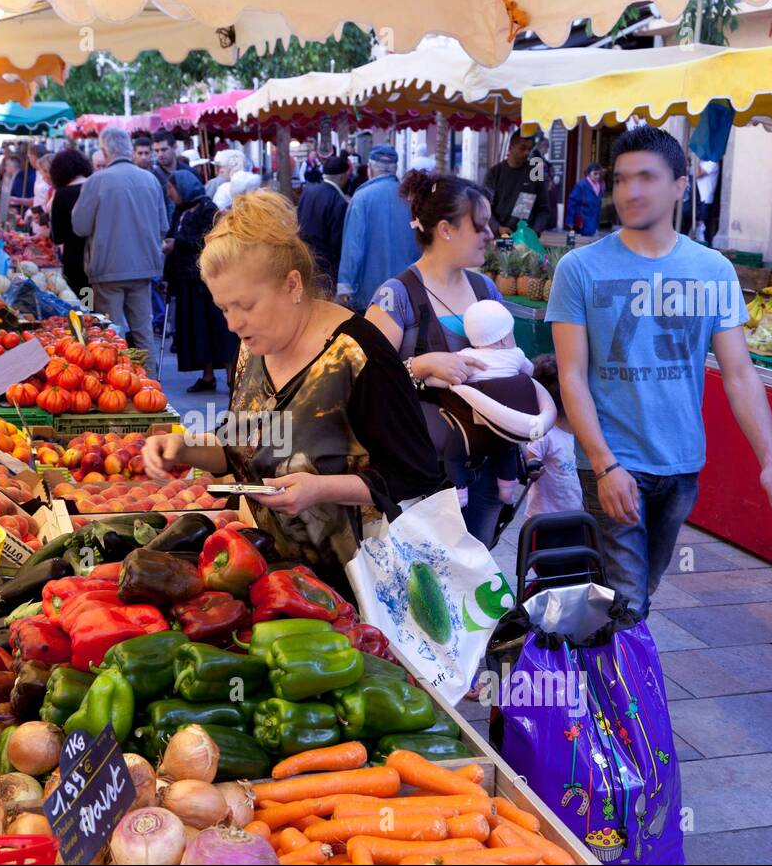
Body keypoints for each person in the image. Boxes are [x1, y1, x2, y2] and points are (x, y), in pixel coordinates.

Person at [548, 125, 772, 620]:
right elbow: (572, 377)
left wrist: (770, 460)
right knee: (628, 599)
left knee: (638, 589)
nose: (632, 190)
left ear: (681, 186)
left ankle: (590, 668)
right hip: (613, 460)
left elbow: (739, 373)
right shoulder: (579, 269)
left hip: (682, 466)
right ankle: (623, 696)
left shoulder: (712, 270)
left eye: (646, 177)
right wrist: (604, 465)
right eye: (621, 179)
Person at [142, 190, 442, 590]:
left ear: (292, 285)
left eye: (245, 305)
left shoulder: (358, 355)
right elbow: (242, 444)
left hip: (360, 592)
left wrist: (320, 489)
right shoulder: (254, 349)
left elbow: (417, 475)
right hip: (277, 582)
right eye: (224, 308)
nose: (233, 323)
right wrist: (185, 449)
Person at [364, 169, 506, 546]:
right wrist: (421, 367)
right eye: (479, 225)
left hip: (488, 462)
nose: (490, 234)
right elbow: (363, 381)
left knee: (479, 572)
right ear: (445, 229)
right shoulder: (396, 296)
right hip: (424, 473)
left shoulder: (486, 289)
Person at [72, 127, 169, 376]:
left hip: (108, 268)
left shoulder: (97, 181)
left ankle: (119, 381)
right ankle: (150, 383)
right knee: (143, 329)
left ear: (105, 151)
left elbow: (80, 227)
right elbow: (163, 226)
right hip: (144, 267)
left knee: (112, 333)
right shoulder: (150, 180)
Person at [450, 299, 535, 505]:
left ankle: (459, 493)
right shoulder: (516, 355)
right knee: (506, 450)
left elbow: (451, 373)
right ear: (505, 340)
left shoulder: (466, 356)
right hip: (505, 428)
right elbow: (529, 372)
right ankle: (507, 489)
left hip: (474, 429)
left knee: (452, 455)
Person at [164, 169, 236, 393]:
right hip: (186, 280)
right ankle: (207, 376)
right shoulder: (181, 209)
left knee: (218, 329)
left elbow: (208, 240)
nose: (169, 194)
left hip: (206, 280)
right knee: (198, 330)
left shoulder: (207, 208)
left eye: (171, 189)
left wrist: (178, 244)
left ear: (182, 187)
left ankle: (232, 375)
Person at [336, 145, 420, 314]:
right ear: (395, 169)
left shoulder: (361, 198)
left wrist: (345, 286)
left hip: (371, 293)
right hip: (407, 288)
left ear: (370, 169)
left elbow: (353, 247)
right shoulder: (411, 198)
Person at [523, 354, 582, 519]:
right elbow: (528, 461)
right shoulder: (543, 432)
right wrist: (531, 469)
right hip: (546, 519)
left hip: (580, 516)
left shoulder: (584, 430)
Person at [296, 154, 350, 295]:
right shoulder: (338, 201)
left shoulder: (308, 191)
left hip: (305, 258)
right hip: (325, 266)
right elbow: (337, 243)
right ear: (342, 177)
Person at [485, 130, 553, 236]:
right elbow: (485, 207)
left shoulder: (535, 172)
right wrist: (497, 228)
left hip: (526, 238)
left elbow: (543, 209)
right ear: (511, 147)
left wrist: (535, 232)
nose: (526, 152)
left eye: (529, 149)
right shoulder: (494, 173)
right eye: (522, 148)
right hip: (499, 236)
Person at [48, 148, 93, 298]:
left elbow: (57, 236)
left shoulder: (62, 194)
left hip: (75, 259)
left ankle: (85, 320)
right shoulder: (97, 187)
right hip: (100, 256)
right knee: (97, 304)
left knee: (82, 304)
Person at [681, 156, 721, 247]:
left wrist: (697, 159)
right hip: (687, 207)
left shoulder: (712, 162)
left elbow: (697, 173)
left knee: (702, 231)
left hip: (704, 201)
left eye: (688, 165)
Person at [566, 162, 604, 237]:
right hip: (583, 221)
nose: (597, 176)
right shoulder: (581, 185)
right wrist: (570, 221)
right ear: (589, 173)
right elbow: (572, 202)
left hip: (594, 222)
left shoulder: (600, 186)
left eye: (599, 174)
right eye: (595, 174)